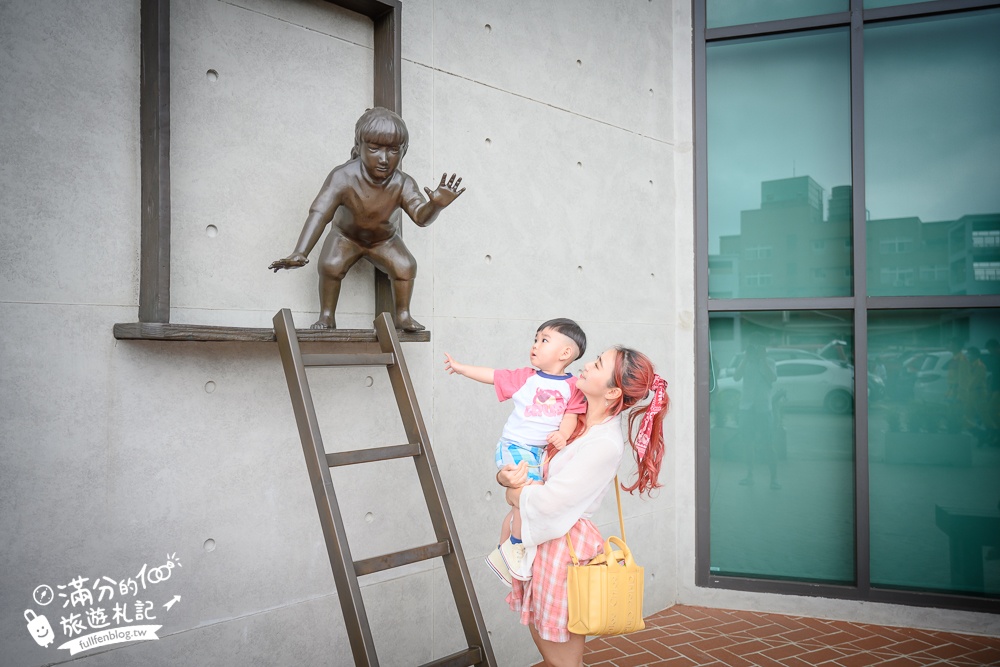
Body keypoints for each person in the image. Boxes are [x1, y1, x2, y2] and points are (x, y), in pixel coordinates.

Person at [497, 346, 668, 665]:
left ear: (613, 390)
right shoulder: (575, 423)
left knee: (563, 660)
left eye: (598, 363)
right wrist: (507, 479)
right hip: (545, 545)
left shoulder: (603, 442)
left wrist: (513, 495)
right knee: (549, 647)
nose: (586, 365)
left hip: (562, 550)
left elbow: (550, 502)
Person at [269, 107, 465, 331]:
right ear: (358, 147)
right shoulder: (342, 176)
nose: (383, 159)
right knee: (330, 264)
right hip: (346, 236)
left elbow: (421, 218)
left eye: (393, 151)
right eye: (374, 149)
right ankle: (326, 316)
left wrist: (435, 205)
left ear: (404, 151)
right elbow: (320, 214)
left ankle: (402, 315)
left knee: (406, 266)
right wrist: (300, 251)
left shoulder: (403, 183)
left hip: (385, 240)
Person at [444, 319, 588, 583]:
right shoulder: (526, 378)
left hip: (541, 453)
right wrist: (461, 368)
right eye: (535, 339)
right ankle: (517, 545)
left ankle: (504, 552)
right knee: (526, 497)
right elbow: (493, 375)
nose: (535, 345)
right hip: (515, 446)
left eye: (544, 340)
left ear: (565, 353)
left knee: (521, 506)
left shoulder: (573, 386)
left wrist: (563, 435)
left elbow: (571, 415)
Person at [735, 334, 779, 490]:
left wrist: (762, 360)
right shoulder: (745, 362)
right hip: (746, 408)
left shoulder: (770, 362)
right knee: (748, 444)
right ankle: (749, 476)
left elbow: (772, 378)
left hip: (763, 409)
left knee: (768, 444)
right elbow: (736, 377)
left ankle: (774, 479)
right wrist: (746, 358)